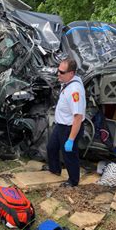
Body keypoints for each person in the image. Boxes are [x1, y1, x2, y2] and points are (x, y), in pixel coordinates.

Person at [44, 58, 86, 187]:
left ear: (71, 73)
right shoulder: (67, 81)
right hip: (61, 125)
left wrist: (71, 139)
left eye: (61, 72)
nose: (58, 74)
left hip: (70, 128)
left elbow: (78, 117)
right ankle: (55, 169)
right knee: (51, 147)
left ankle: (73, 181)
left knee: (69, 155)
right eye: (58, 70)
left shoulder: (75, 91)